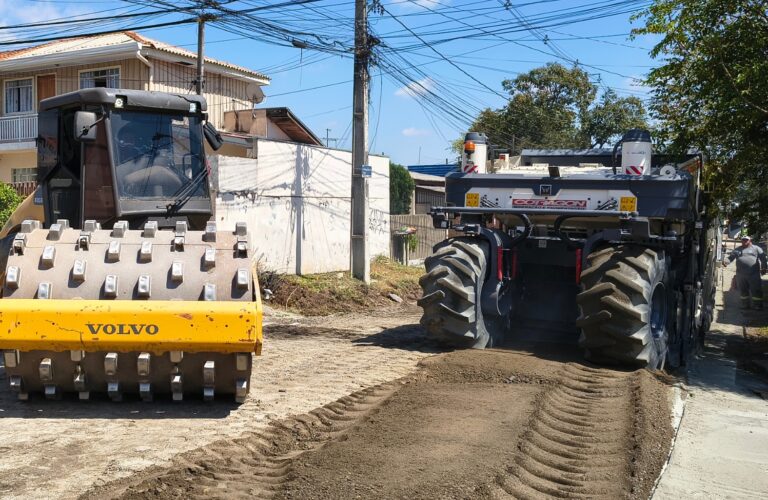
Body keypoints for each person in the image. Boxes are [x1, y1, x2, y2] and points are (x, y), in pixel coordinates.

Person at [724, 235, 767, 310]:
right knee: (743, 290)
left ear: (750, 240)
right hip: (741, 274)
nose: (744, 241)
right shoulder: (737, 249)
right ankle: (745, 305)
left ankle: (758, 305)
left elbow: (763, 258)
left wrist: (764, 268)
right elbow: (731, 258)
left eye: (746, 240)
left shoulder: (756, 248)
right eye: (743, 240)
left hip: (754, 274)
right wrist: (725, 262)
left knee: (756, 289)